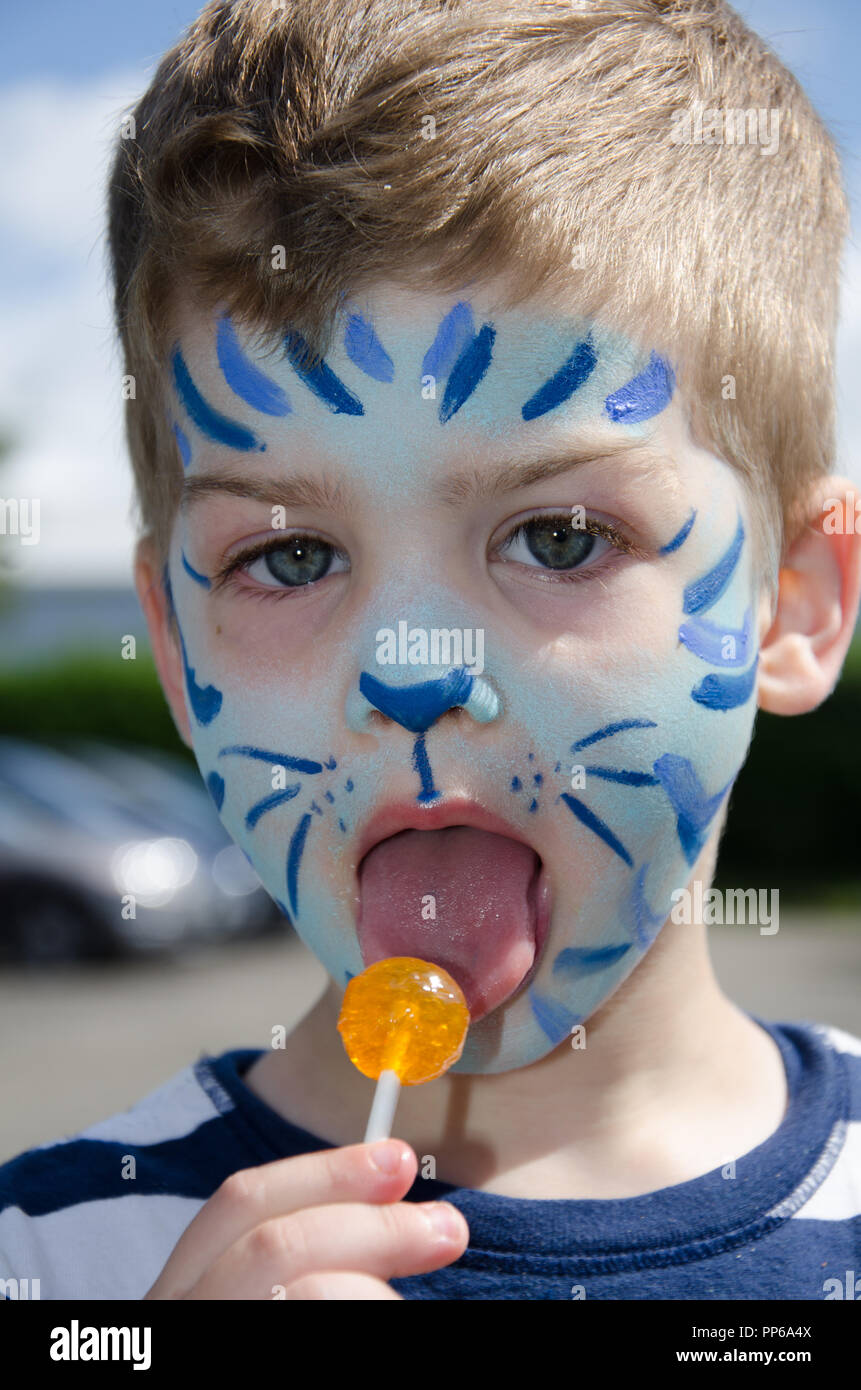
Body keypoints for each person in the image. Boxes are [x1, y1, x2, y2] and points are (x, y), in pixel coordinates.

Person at [2, 0, 859, 1301]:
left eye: (561, 534)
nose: (407, 663)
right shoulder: (55, 1264)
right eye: (287, 557)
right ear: (174, 646)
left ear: (792, 601)